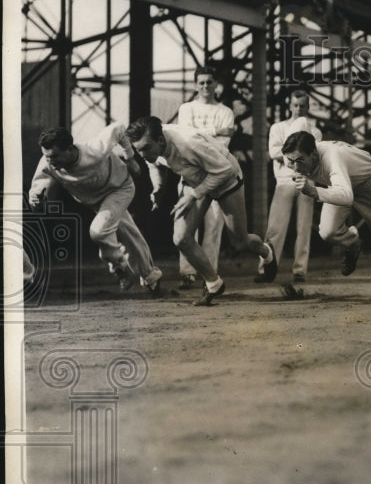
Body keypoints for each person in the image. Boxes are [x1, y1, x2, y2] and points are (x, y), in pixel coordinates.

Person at [127, 116, 277, 305]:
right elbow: (154, 163)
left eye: (146, 148)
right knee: (181, 238)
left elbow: (226, 170)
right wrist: (158, 187)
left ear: (161, 140)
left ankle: (266, 251)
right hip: (193, 179)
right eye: (138, 150)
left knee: (240, 241)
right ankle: (214, 283)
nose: (142, 154)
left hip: (225, 179)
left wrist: (194, 194)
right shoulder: (149, 146)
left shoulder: (188, 143)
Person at [280, 131, 371, 301]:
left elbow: (346, 196)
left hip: (369, 183)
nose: (295, 167)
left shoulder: (333, 157)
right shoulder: (299, 158)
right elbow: (340, 189)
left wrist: (313, 190)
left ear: (314, 153)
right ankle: (353, 243)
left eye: (300, 160)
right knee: (328, 231)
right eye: (290, 161)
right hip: (339, 185)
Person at [28, 124, 163, 293]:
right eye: (46, 156)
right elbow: (36, 192)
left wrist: (130, 158)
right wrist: (36, 199)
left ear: (70, 149)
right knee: (128, 231)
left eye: (55, 156)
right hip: (94, 200)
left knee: (98, 231)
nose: (50, 161)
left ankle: (121, 268)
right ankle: (151, 277)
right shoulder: (47, 163)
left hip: (120, 188)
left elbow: (119, 129)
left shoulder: (95, 149)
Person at [176, 65, 235, 289]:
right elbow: (185, 139)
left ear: (216, 84)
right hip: (191, 171)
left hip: (216, 172)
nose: (205, 86)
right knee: (187, 224)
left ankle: (209, 272)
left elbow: (222, 145)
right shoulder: (186, 108)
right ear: (195, 85)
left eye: (209, 82)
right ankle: (187, 272)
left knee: (214, 224)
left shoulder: (225, 112)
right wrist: (217, 132)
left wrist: (202, 134)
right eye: (201, 82)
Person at [258, 90, 321, 283]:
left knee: (304, 227)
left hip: (306, 180)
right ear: (290, 106)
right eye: (295, 105)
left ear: (307, 107)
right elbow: (273, 152)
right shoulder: (278, 127)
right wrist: (299, 155)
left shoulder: (315, 130)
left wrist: (289, 153)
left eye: (302, 106)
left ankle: (300, 270)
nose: (298, 109)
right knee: (275, 227)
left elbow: (315, 157)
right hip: (285, 180)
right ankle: (265, 268)